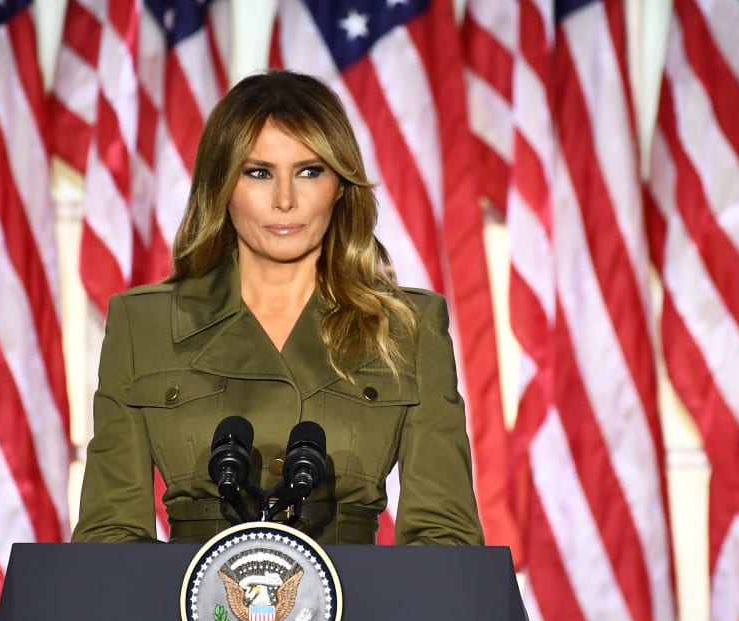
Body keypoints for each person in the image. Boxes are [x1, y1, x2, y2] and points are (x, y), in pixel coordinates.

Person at [72, 70, 483, 547]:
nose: (285, 200)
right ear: (222, 185)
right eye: (259, 172)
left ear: (341, 187)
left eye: (309, 171)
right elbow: (109, 536)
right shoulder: (143, 324)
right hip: (181, 610)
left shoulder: (407, 328)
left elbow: (445, 539)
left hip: (360, 610)